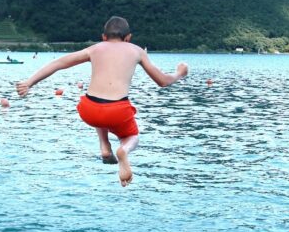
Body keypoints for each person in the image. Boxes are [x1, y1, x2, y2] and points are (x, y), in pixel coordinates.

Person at [16, 16, 188, 186]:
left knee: (97, 103)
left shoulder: (95, 49)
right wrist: (179, 73)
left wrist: (29, 82)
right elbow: (163, 81)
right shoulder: (136, 51)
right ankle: (123, 150)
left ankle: (104, 146)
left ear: (104, 37)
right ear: (128, 38)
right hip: (117, 111)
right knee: (132, 137)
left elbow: (59, 63)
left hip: (89, 110)